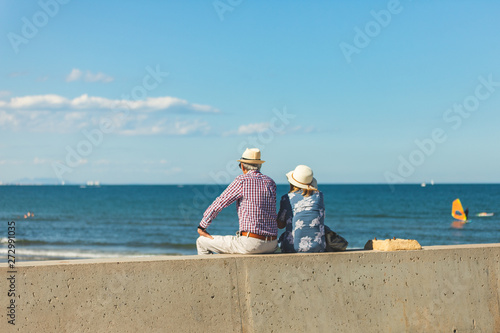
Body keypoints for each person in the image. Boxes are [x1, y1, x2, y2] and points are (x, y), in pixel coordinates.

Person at [196, 148, 278, 255]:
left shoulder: (242, 181)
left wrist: (202, 226)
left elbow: (220, 203)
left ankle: (209, 272)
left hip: (251, 243)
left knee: (201, 242)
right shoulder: (270, 182)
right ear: (259, 165)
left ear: (242, 166)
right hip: (272, 244)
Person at [277, 165, 326, 253]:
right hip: (318, 246)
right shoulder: (319, 196)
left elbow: (280, 225)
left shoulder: (287, 198)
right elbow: (321, 217)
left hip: (292, 247)